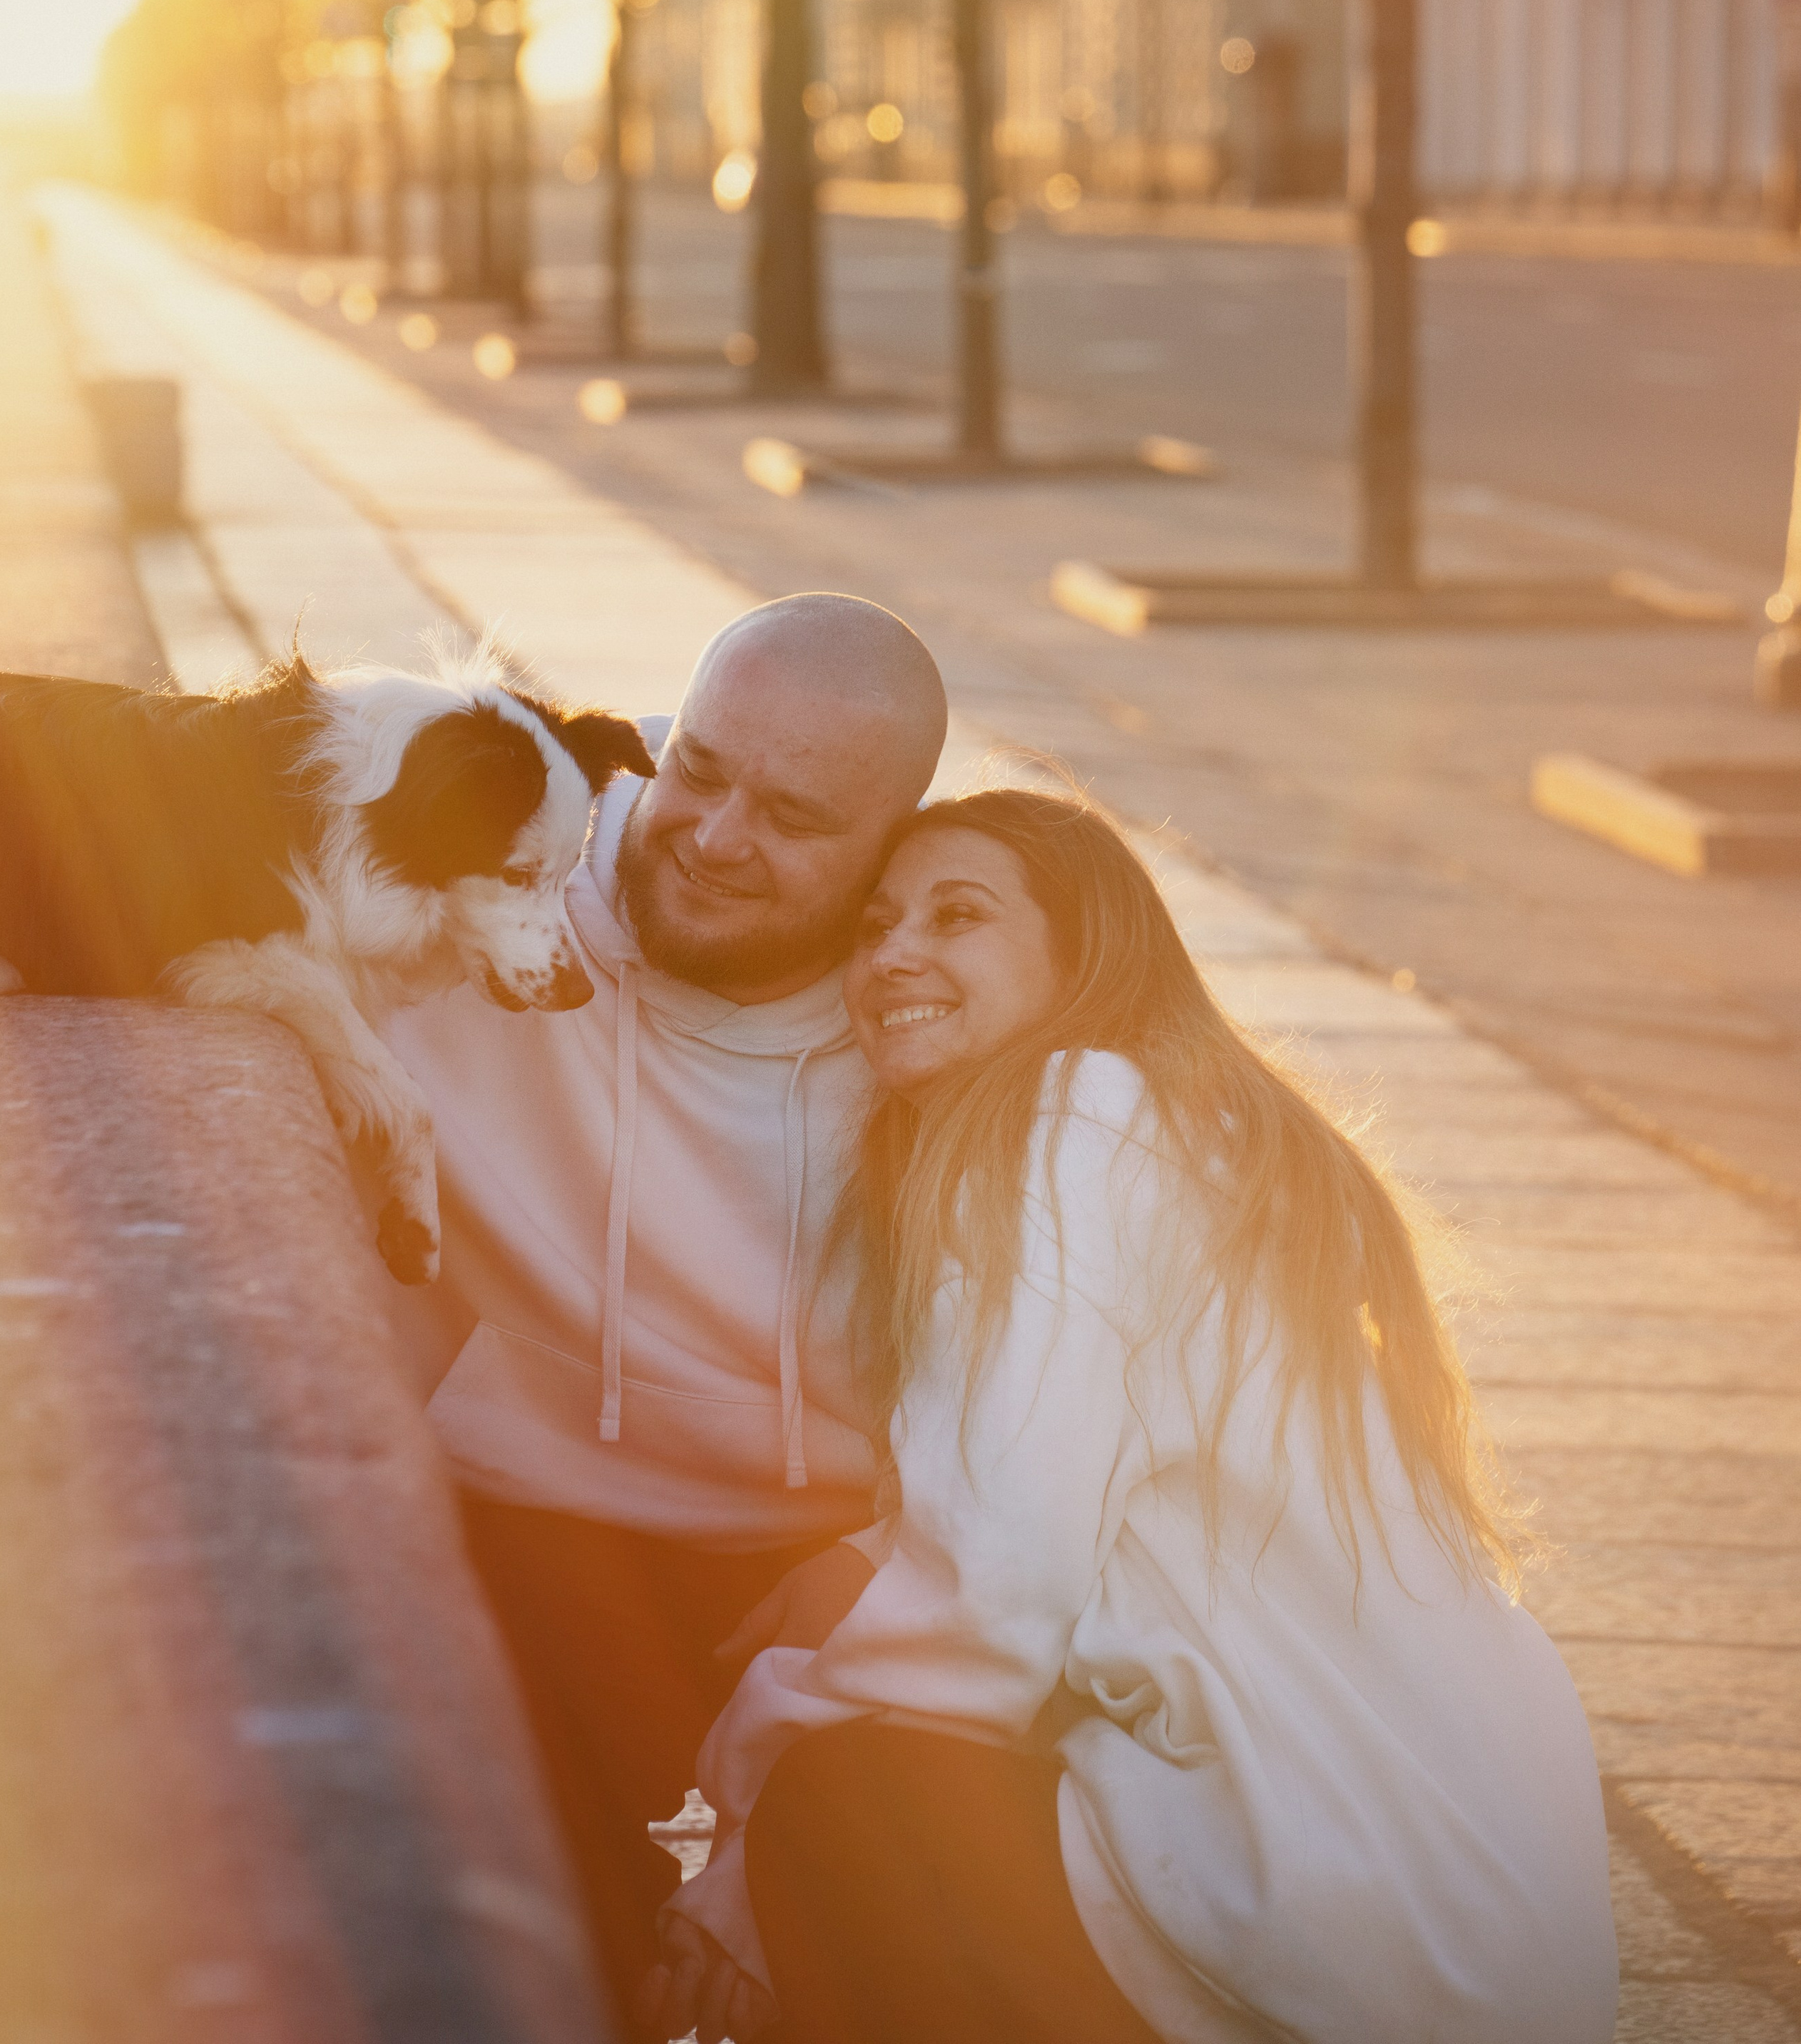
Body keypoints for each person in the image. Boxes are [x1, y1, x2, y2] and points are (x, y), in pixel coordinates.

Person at [653, 789, 1620, 2044]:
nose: (892, 953)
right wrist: (858, 1564)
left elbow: (997, 1589)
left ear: (1082, 956)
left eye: (958, 917)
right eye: (875, 923)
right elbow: (1058, 1497)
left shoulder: (1076, 1115)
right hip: (1483, 1910)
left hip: (1358, 1893)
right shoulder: (1187, 1131)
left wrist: (741, 1811)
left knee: (849, 1806)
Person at [381, 592, 949, 2025]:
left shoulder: (938, 994)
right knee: (496, 1931)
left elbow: (1074, 1370)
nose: (709, 834)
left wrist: (883, 1559)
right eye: (699, 767)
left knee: (898, 1929)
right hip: (529, 1522)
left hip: (823, 1552)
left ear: (890, 842)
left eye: (794, 817)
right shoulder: (499, 860)